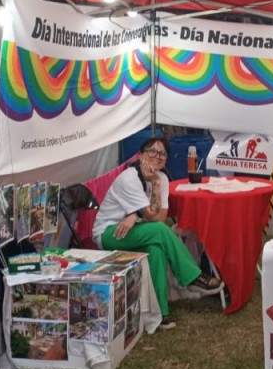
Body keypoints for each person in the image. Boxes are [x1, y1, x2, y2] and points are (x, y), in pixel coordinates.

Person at [93, 136, 222, 329]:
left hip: (137, 230)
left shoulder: (161, 178)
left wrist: (137, 214)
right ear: (141, 155)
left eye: (163, 153)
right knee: (160, 232)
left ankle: (160, 313)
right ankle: (193, 276)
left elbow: (160, 217)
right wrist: (139, 214)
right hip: (110, 232)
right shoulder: (129, 178)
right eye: (152, 151)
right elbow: (155, 218)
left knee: (156, 249)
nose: (158, 156)